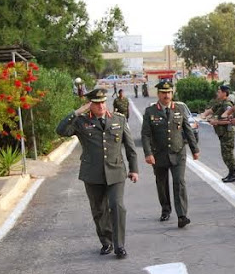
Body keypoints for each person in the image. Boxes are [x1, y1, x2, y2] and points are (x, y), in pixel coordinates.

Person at [56, 88, 138, 258]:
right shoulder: (81, 122)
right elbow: (61, 130)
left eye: (103, 102)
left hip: (115, 171)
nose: (100, 106)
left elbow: (130, 148)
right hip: (92, 173)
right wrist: (77, 112)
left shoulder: (118, 119)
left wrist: (134, 169)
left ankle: (119, 245)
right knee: (99, 210)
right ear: (89, 105)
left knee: (117, 206)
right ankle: (106, 242)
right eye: (96, 103)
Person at [141, 81, 200, 228]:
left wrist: (195, 149)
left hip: (178, 152)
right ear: (158, 94)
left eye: (169, 93)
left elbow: (187, 130)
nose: (166, 95)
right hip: (159, 154)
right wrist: (148, 153)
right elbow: (145, 135)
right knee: (162, 184)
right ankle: (166, 209)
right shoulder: (150, 112)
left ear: (172, 93)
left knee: (179, 182)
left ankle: (182, 215)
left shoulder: (179, 109)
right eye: (163, 93)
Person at [199, 85, 235, 183]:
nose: (217, 93)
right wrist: (203, 115)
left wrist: (216, 122)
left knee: (228, 154)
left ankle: (233, 174)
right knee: (225, 154)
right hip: (222, 133)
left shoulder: (227, 104)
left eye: (219, 91)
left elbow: (230, 120)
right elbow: (211, 110)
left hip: (227, 133)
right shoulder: (220, 103)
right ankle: (231, 173)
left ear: (225, 93)